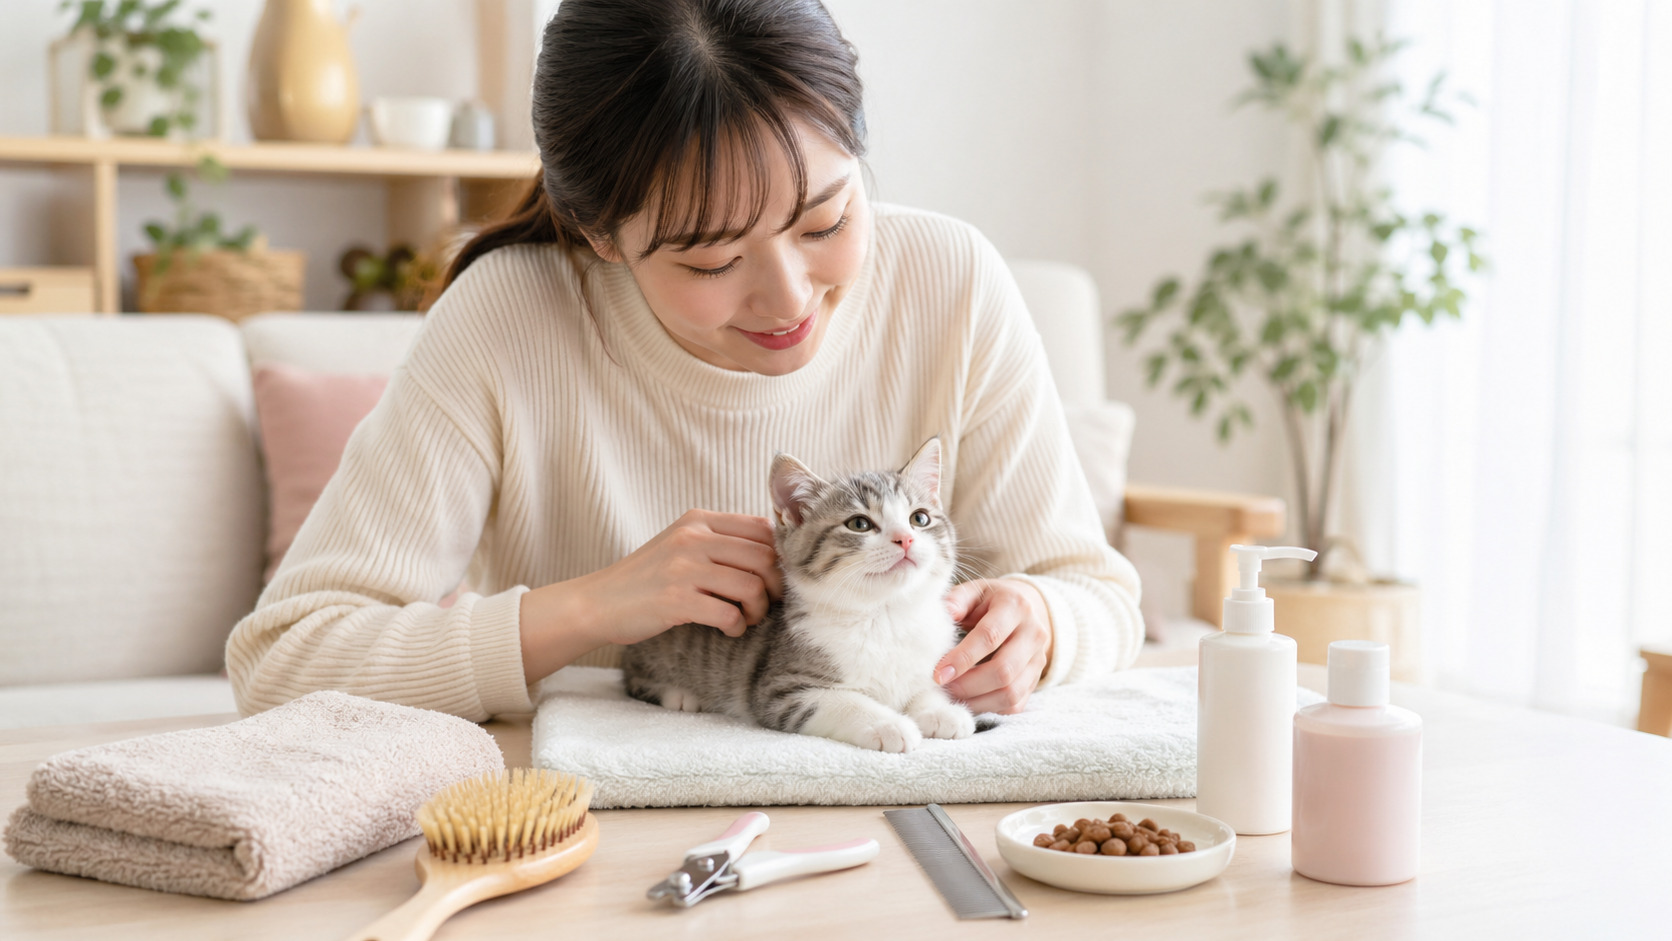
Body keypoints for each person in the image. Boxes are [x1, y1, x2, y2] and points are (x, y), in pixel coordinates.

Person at [226, 0, 1143, 722]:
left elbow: (1099, 596)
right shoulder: (509, 317)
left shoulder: (953, 281)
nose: (788, 298)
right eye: (711, 260)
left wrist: (1042, 627)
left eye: (825, 221)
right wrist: (590, 608)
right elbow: (283, 658)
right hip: (593, 845)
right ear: (601, 235)